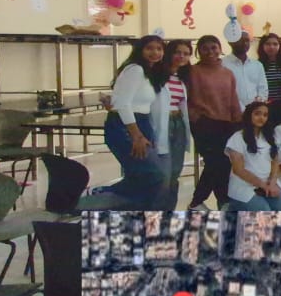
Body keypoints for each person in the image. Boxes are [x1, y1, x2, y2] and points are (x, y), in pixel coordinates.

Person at [88, 35, 169, 210]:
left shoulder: (150, 72)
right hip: (127, 127)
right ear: (140, 50)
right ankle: (102, 193)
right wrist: (136, 135)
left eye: (159, 49)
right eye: (150, 48)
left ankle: (137, 216)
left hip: (143, 123)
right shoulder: (135, 69)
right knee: (154, 174)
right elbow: (123, 104)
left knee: (139, 176)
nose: (155, 52)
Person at [187, 35, 242, 210]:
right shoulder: (193, 72)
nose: (210, 52)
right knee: (215, 162)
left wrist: (239, 123)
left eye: (214, 47)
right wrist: (196, 117)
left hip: (226, 124)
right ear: (198, 51)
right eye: (205, 48)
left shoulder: (228, 73)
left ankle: (223, 202)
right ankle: (197, 201)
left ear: (220, 48)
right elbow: (186, 99)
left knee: (223, 164)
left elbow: (233, 99)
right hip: (204, 124)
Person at [225, 101, 281, 216]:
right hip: (244, 188)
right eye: (257, 114)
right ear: (249, 115)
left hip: (267, 186)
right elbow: (239, 170)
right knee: (266, 216)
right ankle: (232, 208)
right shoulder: (237, 138)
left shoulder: (269, 137)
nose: (261, 118)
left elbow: (275, 161)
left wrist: (272, 183)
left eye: (265, 115)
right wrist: (263, 185)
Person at [153, 40, 194, 211]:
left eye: (186, 53)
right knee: (163, 173)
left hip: (178, 125)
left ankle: (169, 211)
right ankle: (156, 212)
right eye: (178, 52)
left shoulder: (184, 77)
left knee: (175, 171)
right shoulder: (155, 74)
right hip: (161, 123)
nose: (181, 56)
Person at [223, 31, 267, 108]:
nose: (244, 43)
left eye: (247, 40)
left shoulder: (257, 65)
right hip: (232, 111)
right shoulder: (223, 64)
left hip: (254, 112)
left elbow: (263, 89)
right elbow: (224, 91)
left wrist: (258, 104)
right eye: (240, 40)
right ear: (230, 42)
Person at [256, 33, 281, 104]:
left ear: (280, 46)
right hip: (264, 105)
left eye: (275, 44)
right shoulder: (257, 66)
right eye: (268, 44)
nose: (271, 47)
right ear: (262, 46)